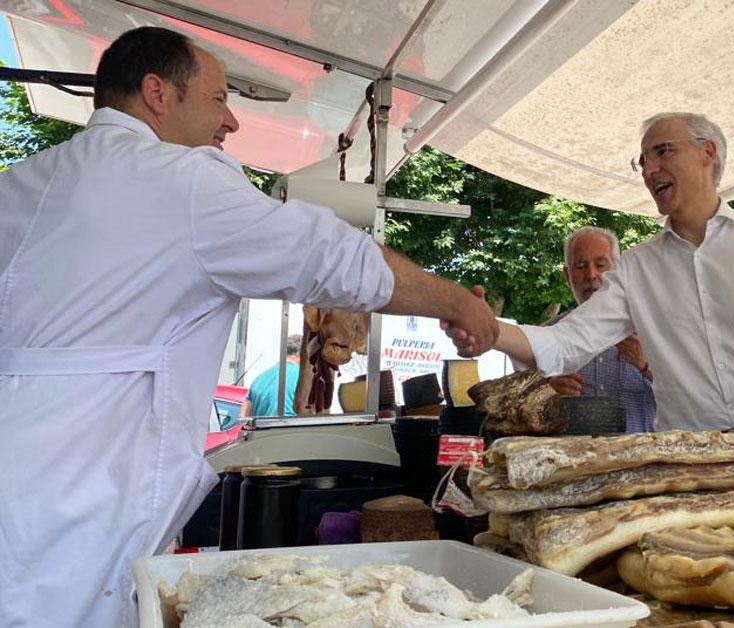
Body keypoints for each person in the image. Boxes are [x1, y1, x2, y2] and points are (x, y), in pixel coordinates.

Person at [0, 27, 496, 627]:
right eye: (218, 98)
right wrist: (455, 302)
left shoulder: (18, 184)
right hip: (81, 516)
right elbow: (329, 256)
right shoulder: (183, 180)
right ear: (157, 93)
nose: (231, 122)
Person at [448, 112, 734, 540]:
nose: (648, 170)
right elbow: (565, 344)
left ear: (708, 153)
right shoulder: (638, 268)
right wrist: (489, 330)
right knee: (697, 600)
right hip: (690, 472)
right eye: (641, 160)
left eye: (663, 151)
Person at [546, 227, 657, 432]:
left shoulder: (654, 329)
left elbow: (692, 396)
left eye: (600, 264)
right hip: (575, 461)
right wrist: (546, 394)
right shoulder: (549, 337)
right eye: (580, 266)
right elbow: (521, 410)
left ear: (618, 270)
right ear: (567, 275)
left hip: (642, 460)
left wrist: (645, 365)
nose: (591, 275)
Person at [241, 334, 303, 417]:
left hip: (261, 429)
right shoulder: (303, 377)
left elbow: (243, 416)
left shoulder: (259, 379)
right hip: (291, 428)